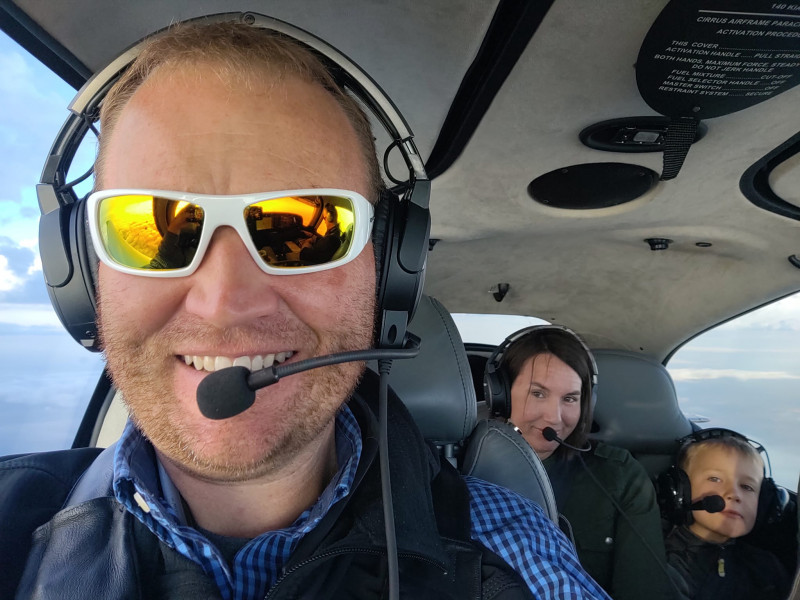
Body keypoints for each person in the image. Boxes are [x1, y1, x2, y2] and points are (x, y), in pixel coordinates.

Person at [0, 18, 611, 600]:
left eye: (304, 228)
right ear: (82, 270)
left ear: (388, 267)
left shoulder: (514, 553)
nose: (225, 304)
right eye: (152, 227)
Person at [486, 326, 674, 600]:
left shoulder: (619, 477)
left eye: (570, 398)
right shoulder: (454, 469)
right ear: (499, 393)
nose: (554, 417)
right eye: (538, 393)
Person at [663, 433, 789, 600]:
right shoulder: (667, 566)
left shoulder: (767, 566)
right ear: (680, 491)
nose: (734, 494)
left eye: (747, 487)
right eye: (715, 479)